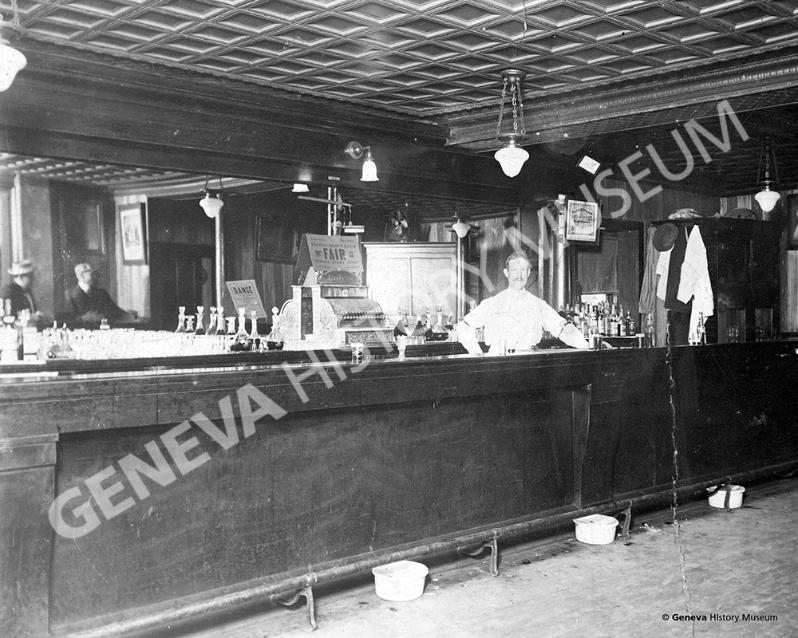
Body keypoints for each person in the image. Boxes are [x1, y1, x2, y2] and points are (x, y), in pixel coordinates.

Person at [458, 252, 589, 355]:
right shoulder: (494, 303)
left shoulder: (537, 304)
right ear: (506, 273)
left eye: (523, 270)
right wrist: (477, 354)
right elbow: (463, 327)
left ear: (528, 273)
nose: (519, 275)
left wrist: (588, 347)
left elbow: (563, 329)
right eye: (514, 270)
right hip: (499, 363)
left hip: (528, 363)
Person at [65, 263, 132, 326]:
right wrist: (83, 318)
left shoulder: (102, 292)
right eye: (92, 274)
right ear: (82, 276)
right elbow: (68, 316)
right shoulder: (70, 293)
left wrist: (130, 315)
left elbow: (114, 310)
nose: (96, 277)